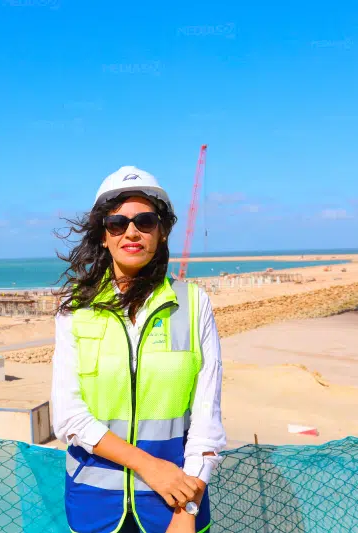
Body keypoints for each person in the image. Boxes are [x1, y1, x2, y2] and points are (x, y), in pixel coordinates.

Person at [51, 166, 226, 533]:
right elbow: (68, 417)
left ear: (161, 233)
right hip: (94, 510)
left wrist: (187, 508)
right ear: (103, 235)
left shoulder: (194, 304)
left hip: (174, 506)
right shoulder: (75, 308)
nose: (131, 231)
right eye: (117, 223)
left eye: (145, 221)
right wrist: (149, 466)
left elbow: (206, 422)